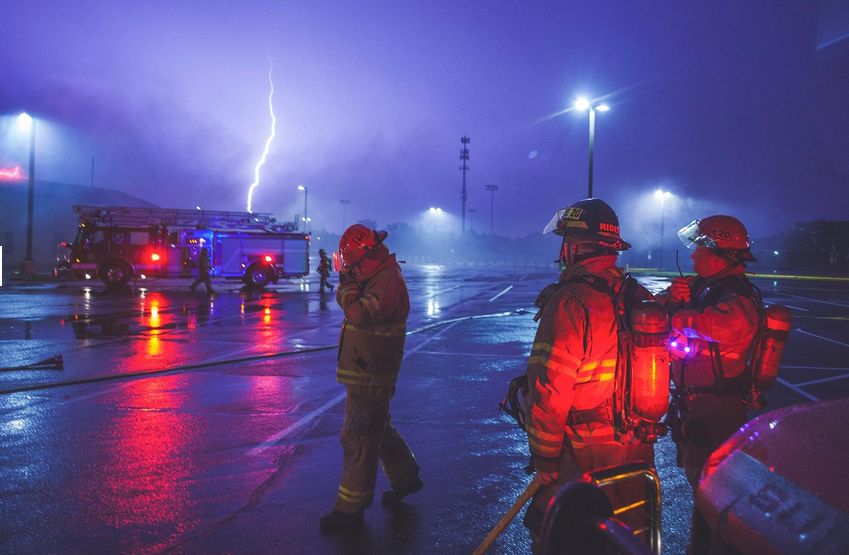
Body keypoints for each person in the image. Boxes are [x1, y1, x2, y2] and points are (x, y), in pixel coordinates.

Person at [522, 199, 655, 553]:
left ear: (576, 246)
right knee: (627, 538)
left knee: (564, 538)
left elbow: (550, 389)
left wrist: (546, 458)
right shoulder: (638, 296)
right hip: (637, 445)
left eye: (564, 240)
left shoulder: (571, 302)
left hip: (585, 452)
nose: (562, 249)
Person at [319, 224, 422, 533]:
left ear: (369, 255)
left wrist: (348, 285)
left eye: (352, 263)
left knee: (359, 437)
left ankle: (350, 510)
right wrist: (349, 284)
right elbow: (349, 303)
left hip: (372, 371)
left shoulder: (388, 281)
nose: (348, 268)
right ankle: (406, 477)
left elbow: (358, 314)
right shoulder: (375, 275)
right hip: (367, 370)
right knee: (377, 427)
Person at [658, 215, 761, 490]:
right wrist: (672, 296)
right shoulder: (704, 288)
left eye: (699, 250)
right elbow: (657, 307)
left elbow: (731, 325)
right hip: (695, 404)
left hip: (718, 409)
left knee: (715, 487)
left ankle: (714, 533)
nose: (692, 256)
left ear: (717, 257)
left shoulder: (737, 294)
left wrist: (678, 317)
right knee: (699, 480)